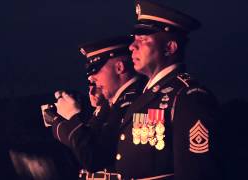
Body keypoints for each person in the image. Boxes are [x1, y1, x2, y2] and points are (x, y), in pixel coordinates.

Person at [112, 0, 222, 179]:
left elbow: (197, 173)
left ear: (170, 47)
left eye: (143, 39)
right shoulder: (148, 94)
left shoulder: (188, 97)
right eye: (134, 40)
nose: (132, 46)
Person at [46, 36, 146, 179]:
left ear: (119, 67)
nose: (92, 79)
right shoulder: (110, 104)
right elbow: (87, 140)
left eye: (96, 70)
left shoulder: (133, 101)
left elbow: (93, 158)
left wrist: (71, 117)